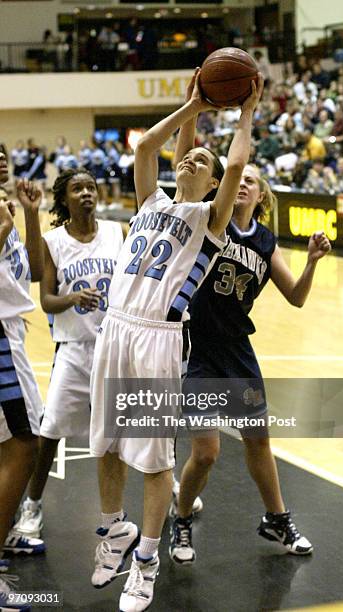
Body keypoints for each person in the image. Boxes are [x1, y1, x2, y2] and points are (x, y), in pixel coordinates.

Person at [89, 70, 264, 611]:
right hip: (114, 327)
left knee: (154, 458)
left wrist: (245, 112)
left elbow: (235, 165)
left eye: (202, 162)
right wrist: (192, 105)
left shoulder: (209, 220)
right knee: (104, 443)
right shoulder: (150, 203)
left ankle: (145, 560)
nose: (192, 159)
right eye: (188, 156)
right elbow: (145, 145)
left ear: (214, 185)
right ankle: (113, 528)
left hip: (158, 338)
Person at [168, 100, 331, 565]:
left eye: (251, 182)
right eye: (237, 179)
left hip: (238, 350)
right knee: (208, 452)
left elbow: (296, 297)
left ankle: (276, 518)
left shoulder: (264, 241)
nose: (241, 184)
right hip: (197, 347)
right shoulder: (208, 220)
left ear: (261, 195)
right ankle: (181, 519)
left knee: (259, 440)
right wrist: (193, 110)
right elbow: (192, 162)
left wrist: (312, 264)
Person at [13, 168, 125, 541]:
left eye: (91, 187)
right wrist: (73, 297)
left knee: (135, 429)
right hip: (74, 350)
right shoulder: (52, 241)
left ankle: (168, 486)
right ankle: (33, 504)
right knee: (50, 432)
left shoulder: (115, 232)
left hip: (114, 346)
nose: (87, 193)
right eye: (78, 189)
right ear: (64, 199)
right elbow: (45, 299)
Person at [0, 154, 45, 610]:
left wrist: (29, 215)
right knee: (24, 445)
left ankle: (7, 528)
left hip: (12, 334)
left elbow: (30, 272)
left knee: (10, 449)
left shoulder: (7, 207)